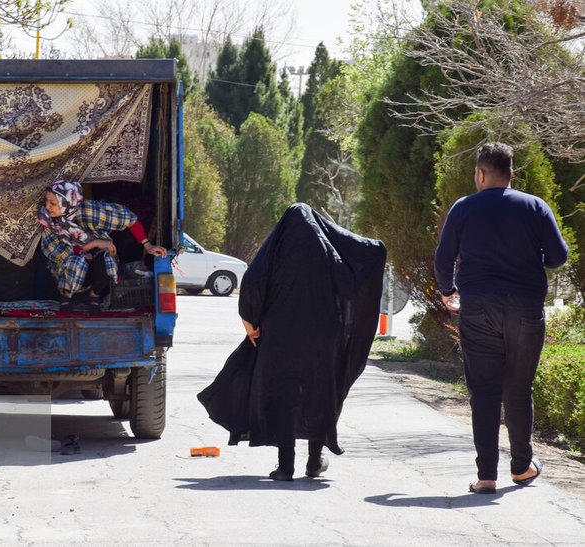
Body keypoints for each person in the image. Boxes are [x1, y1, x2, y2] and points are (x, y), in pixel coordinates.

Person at [197, 204, 386, 481]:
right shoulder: (328, 252)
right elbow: (360, 266)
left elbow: (252, 282)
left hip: (281, 336)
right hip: (323, 336)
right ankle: (313, 462)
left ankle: (285, 467)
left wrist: (250, 323)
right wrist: (377, 250)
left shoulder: (276, 249)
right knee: (320, 394)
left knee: (285, 397)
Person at [434, 142, 569, 494]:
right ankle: (522, 466)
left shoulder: (463, 208)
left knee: (484, 392)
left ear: (480, 174)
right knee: (519, 387)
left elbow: (444, 257)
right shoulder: (535, 206)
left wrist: (449, 290)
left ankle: (486, 476)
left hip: (477, 309)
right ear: (511, 173)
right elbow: (557, 257)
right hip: (525, 308)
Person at [37, 180, 166, 314]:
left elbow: (128, 218)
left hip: (94, 264)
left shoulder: (88, 211)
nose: (47, 206)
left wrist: (147, 245)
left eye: (52, 203)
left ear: (67, 202)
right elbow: (58, 253)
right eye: (47, 201)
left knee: (107, 260)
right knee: (77, 262)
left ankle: (94, 295)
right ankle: (67, 295)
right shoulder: (47, 219)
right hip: (66, 268)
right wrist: (95, 243)